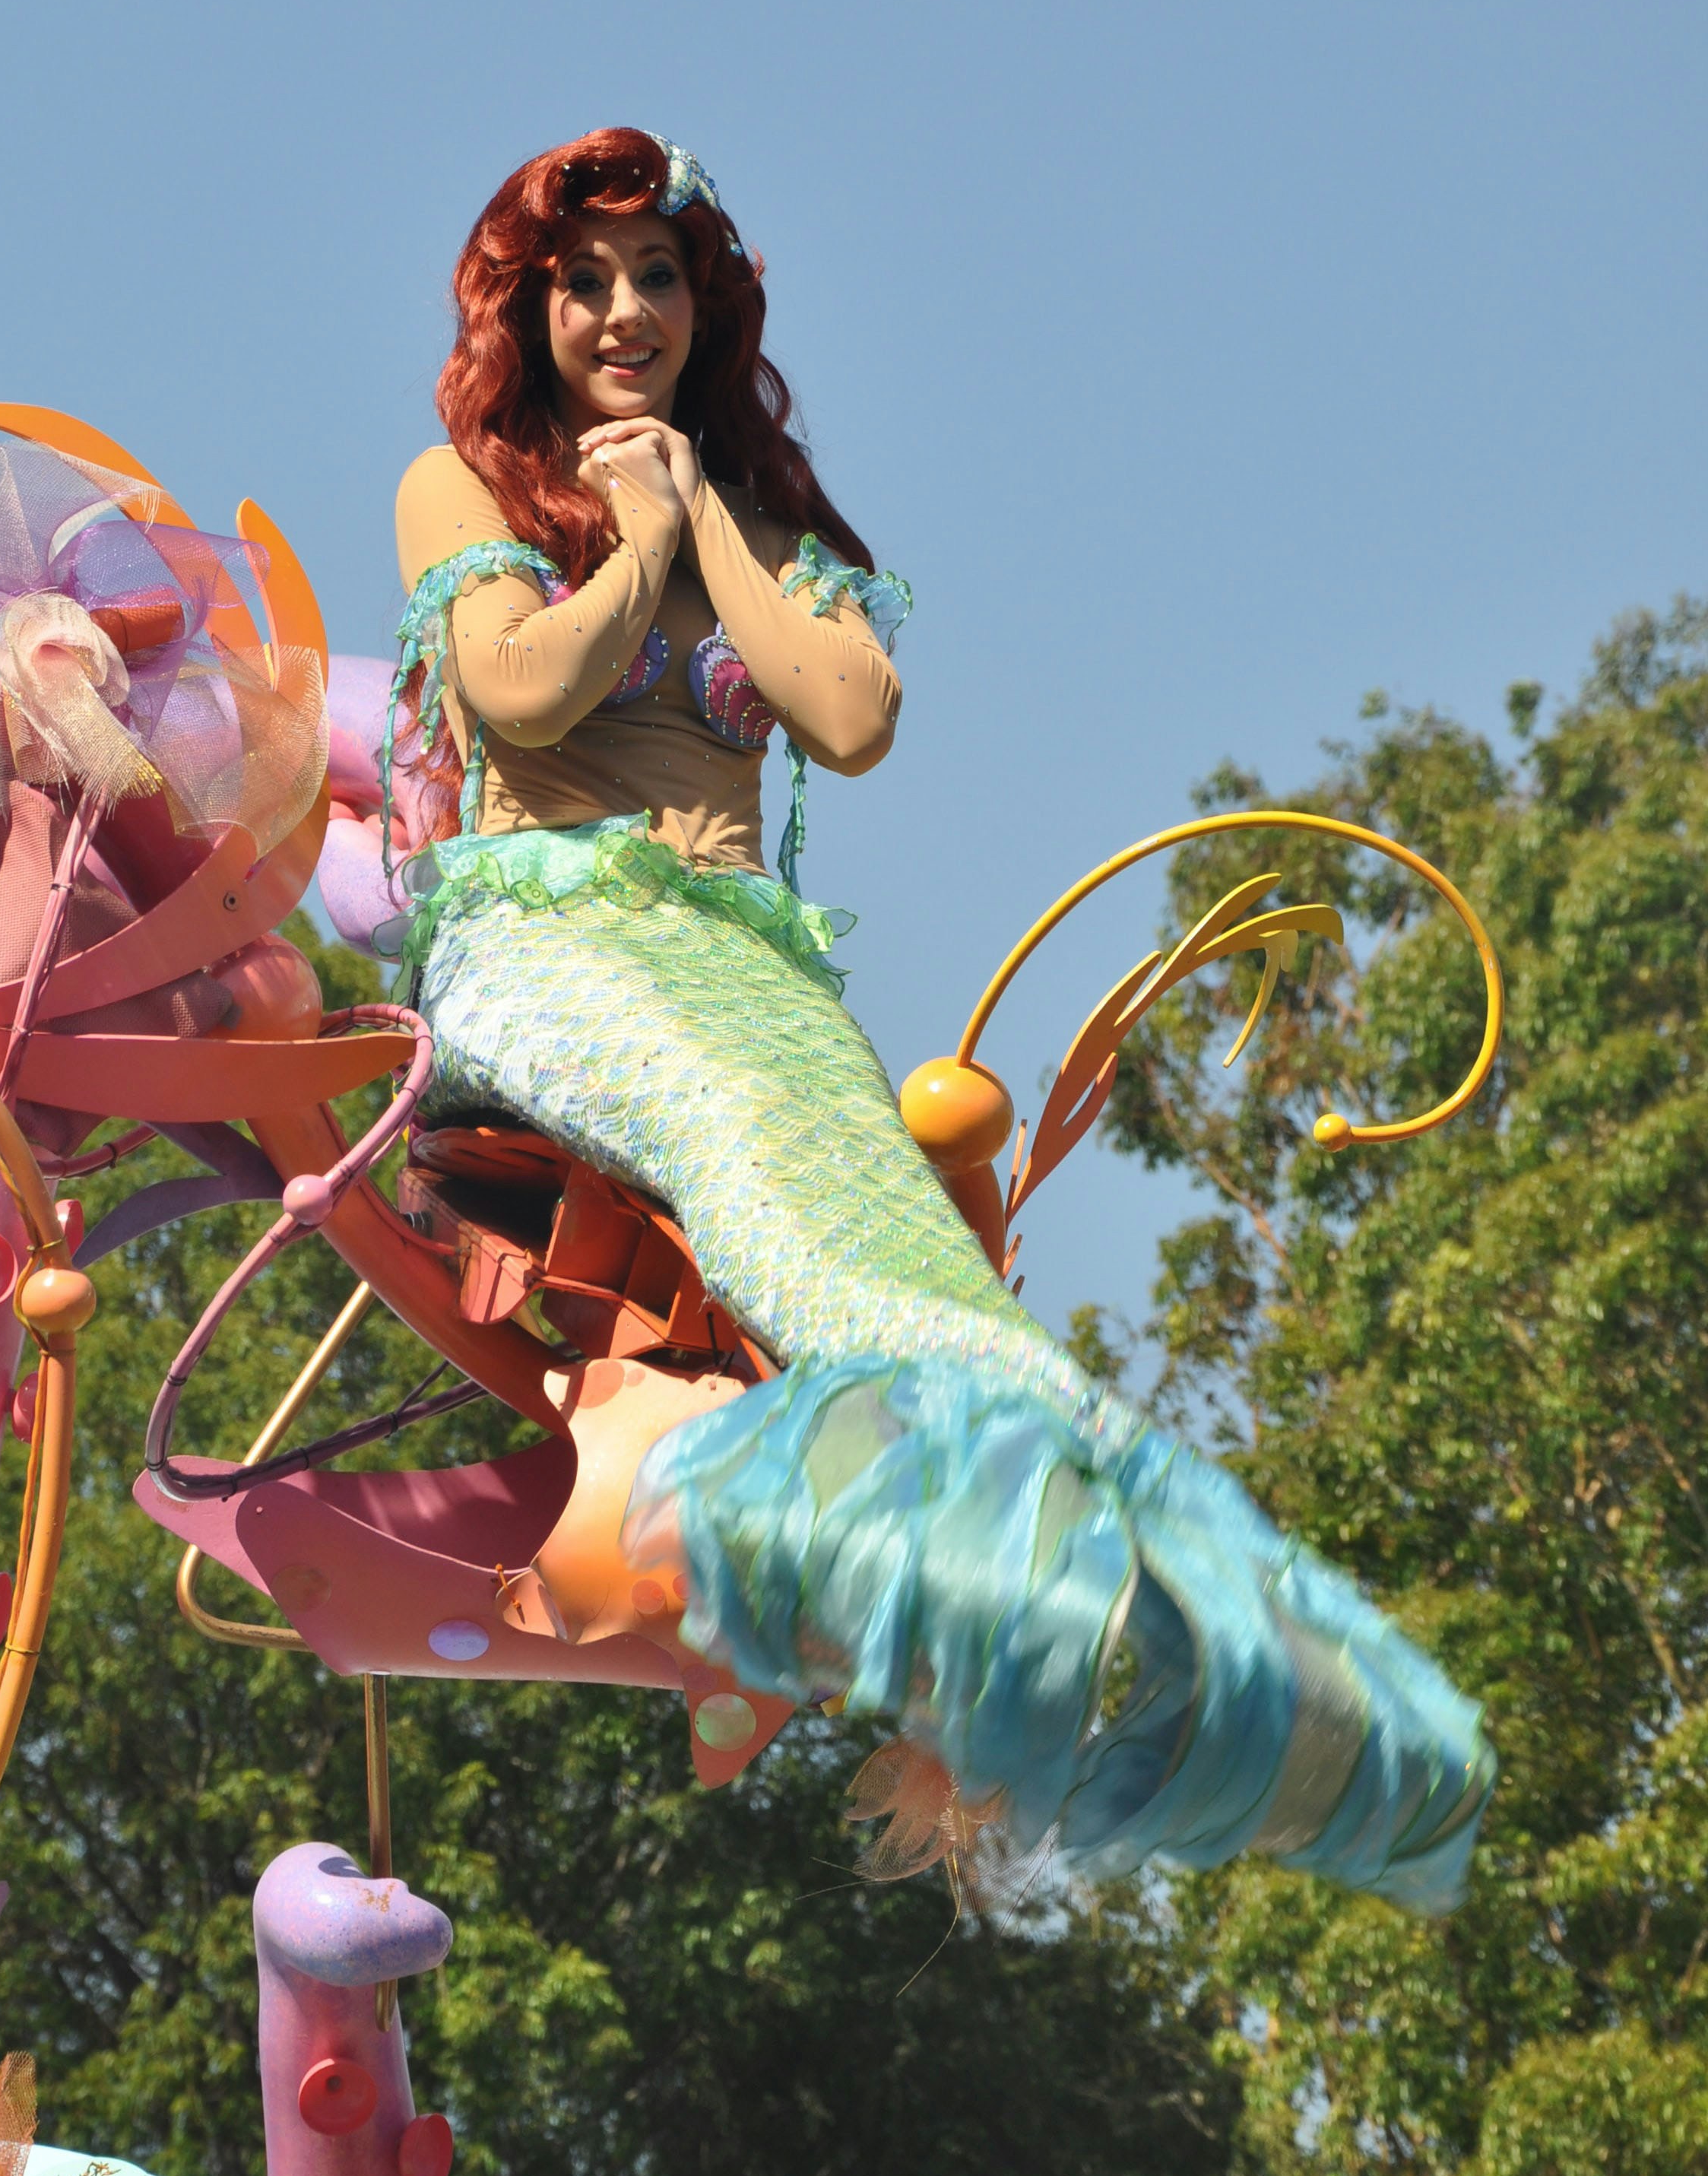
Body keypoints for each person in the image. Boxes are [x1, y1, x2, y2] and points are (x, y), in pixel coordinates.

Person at [388, 127, 1491, 1910]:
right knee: (780, 1204)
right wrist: (637, 532)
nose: (619, 309)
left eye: (653, 273)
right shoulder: (460, 491)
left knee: (894, 1246)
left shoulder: (778, 535)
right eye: (578, 278)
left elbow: (846, 715)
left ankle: (1137, 1588)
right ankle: (996, 1585)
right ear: (524, 308)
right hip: (561, 940)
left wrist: (717, 529)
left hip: (748, 972)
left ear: (704, 301)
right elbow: (519, 691)